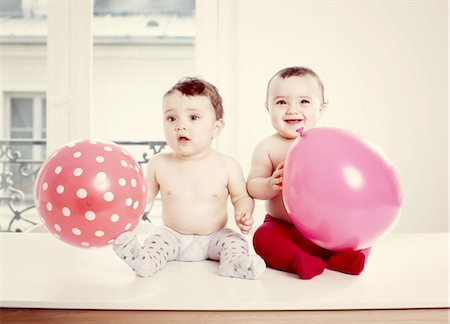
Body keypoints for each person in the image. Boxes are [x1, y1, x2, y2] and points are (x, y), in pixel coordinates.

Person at [113, 77, 266, 279]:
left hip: (215, 237)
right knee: (154, 240)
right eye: (171, 118)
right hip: (172, 235)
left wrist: (243, 212)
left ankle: (234, 263)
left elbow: (241, 197)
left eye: (193, 117)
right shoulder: (159, 163)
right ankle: (145, 262)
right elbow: (144, 196)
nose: (180, 126)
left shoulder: (227, 165)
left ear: (216, 128)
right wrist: (123, 211)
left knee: (235, 241)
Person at [247, 66, 370, 279]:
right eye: (281, 102)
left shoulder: (329, 140)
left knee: (362, 235)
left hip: (327, 228)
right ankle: (297, 260)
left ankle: (346, 258)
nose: (292, 110)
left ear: (321, 109)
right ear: (268, 108)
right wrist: (270, 184)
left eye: (304, 101)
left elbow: (348, 175)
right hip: (284, 228)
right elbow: (252, 185)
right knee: (262, 238)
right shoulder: (268, 147)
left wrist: (353, 146)